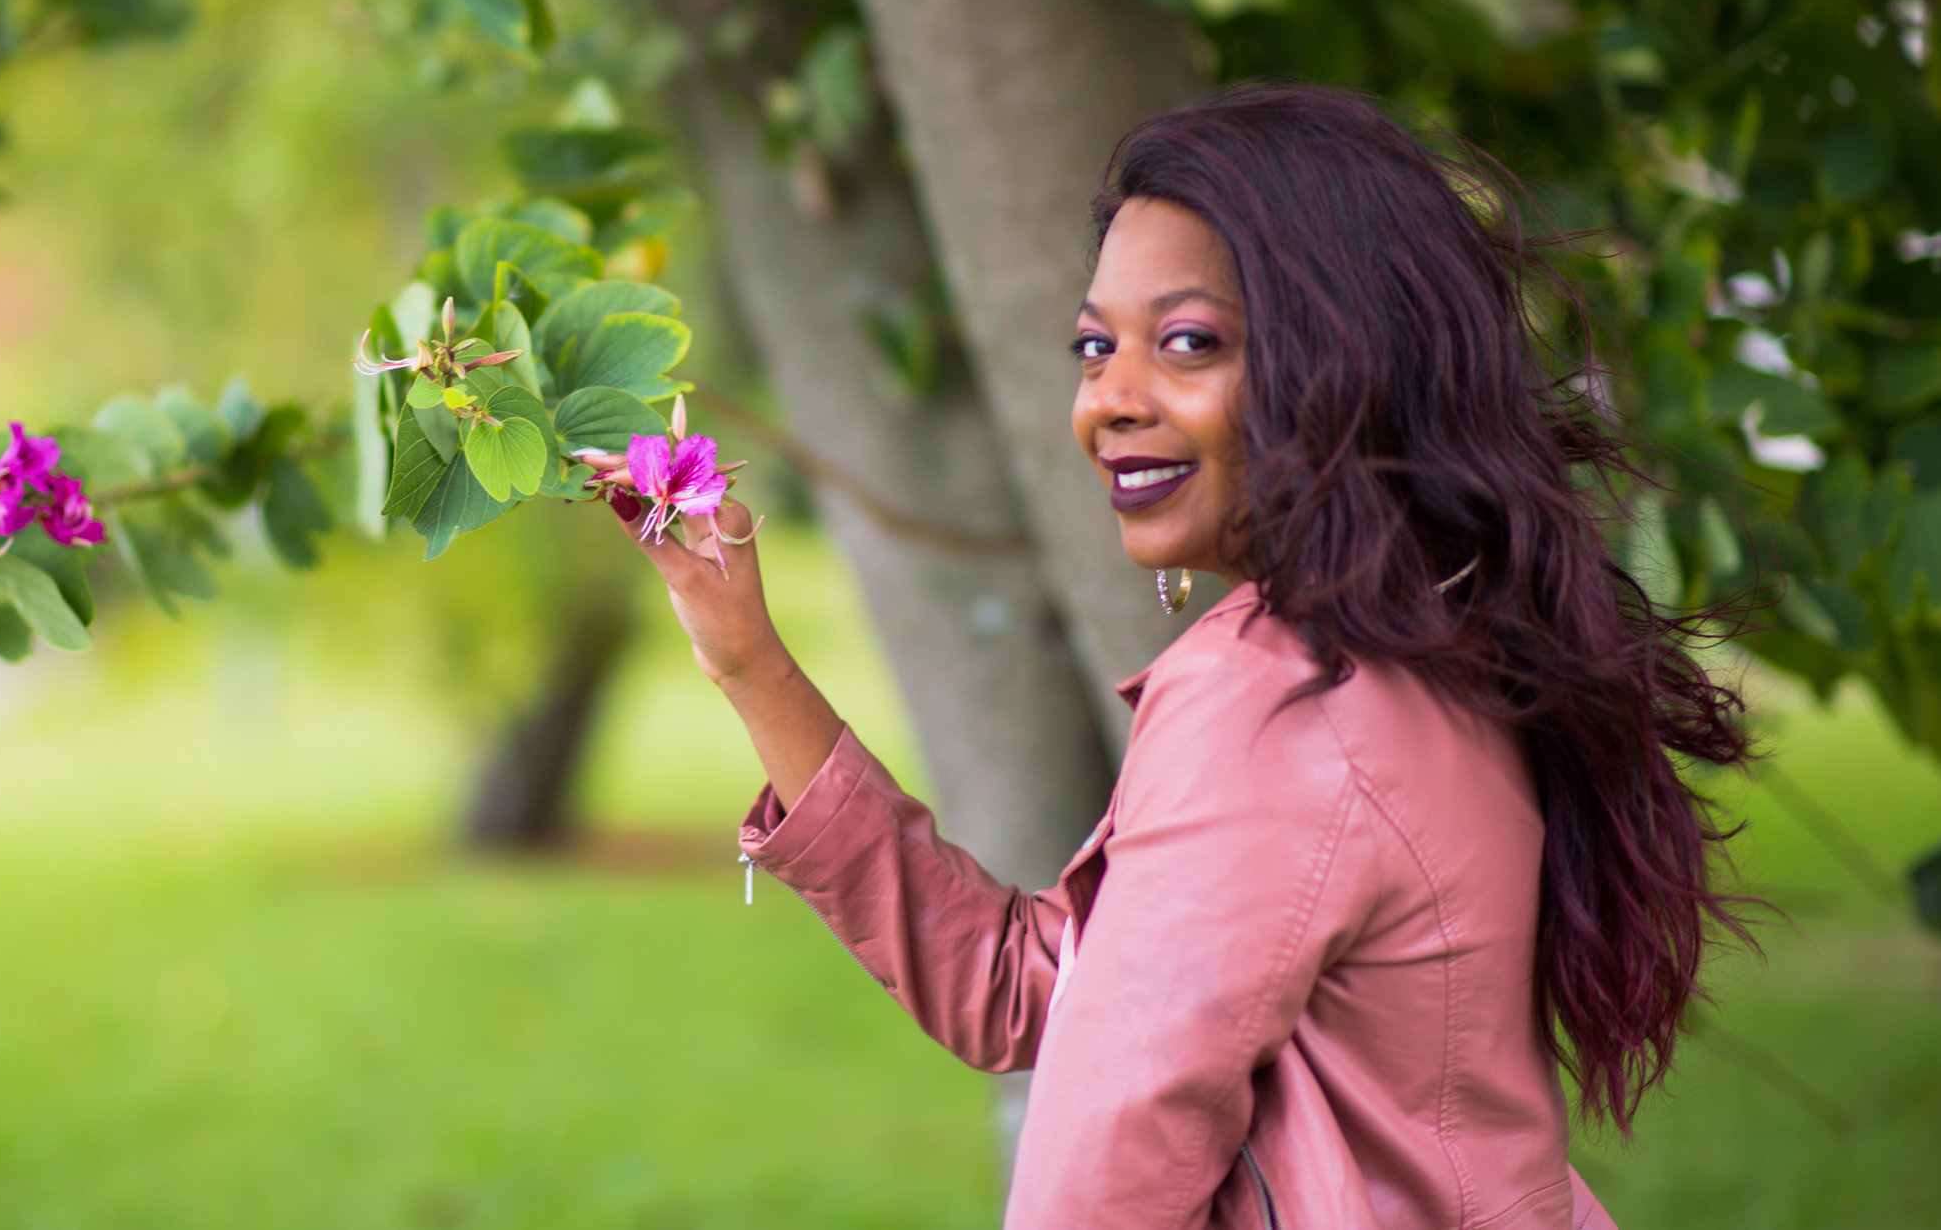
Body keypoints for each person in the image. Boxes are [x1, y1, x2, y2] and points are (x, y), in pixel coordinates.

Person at [594, 86, 1753, 1230]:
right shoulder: (1440, 637)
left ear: (1340, 354)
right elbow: (1037, 987)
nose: (1108, 398)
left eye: (1187, 341)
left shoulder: (1274, 698)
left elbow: (1099, 1179)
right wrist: (749, 661)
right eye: (1095, 344)